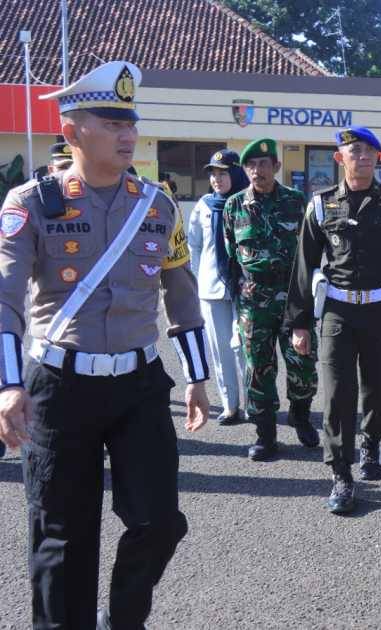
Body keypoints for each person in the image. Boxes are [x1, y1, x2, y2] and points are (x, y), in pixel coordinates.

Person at [0, 60, 210, 629]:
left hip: (138, 384)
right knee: (62, 537)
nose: (127, 134)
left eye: (130, 122)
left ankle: (124, 619)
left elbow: (181, 292)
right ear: (71, 131)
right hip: (59, 387)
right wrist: (8, 385)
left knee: (159, 521)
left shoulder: (157, 205)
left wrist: (197, 375)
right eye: (111, 121)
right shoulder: (29, 203)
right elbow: (6, 298)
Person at [285, 126, 381, 514]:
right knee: (336, 392)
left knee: (378, 386)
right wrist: (299, 323)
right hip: (337, 311)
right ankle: (341, 473)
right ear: (339, 158)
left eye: (369, 151)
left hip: (380, 311)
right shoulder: (321, 204)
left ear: (377, 158)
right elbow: (304, 266)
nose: (363, 157)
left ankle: (372, 441)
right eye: (355, 150)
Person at [222, 137, 319, 461]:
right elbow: (229, 257)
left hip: (293, 298)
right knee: (258, 369)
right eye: (251, 165)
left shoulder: (296, 201)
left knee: (302, 364)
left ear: (276, 167)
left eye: (264, 164)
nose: (257, 170)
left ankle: (301, 417)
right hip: (254, 302)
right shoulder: (234, 206)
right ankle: (265, 435)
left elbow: (309, 253)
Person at [188, 149, 249, 426]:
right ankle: (230, 405)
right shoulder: (203, 205)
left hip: (245, 287)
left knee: (244, 348)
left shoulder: (249, 201)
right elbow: (195, 246)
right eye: (213, 173)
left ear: (236, 173)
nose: (216, 179)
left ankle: (252, 404)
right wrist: (198, 281)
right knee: (220, 349)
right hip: (212, 288)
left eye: (222, 173)